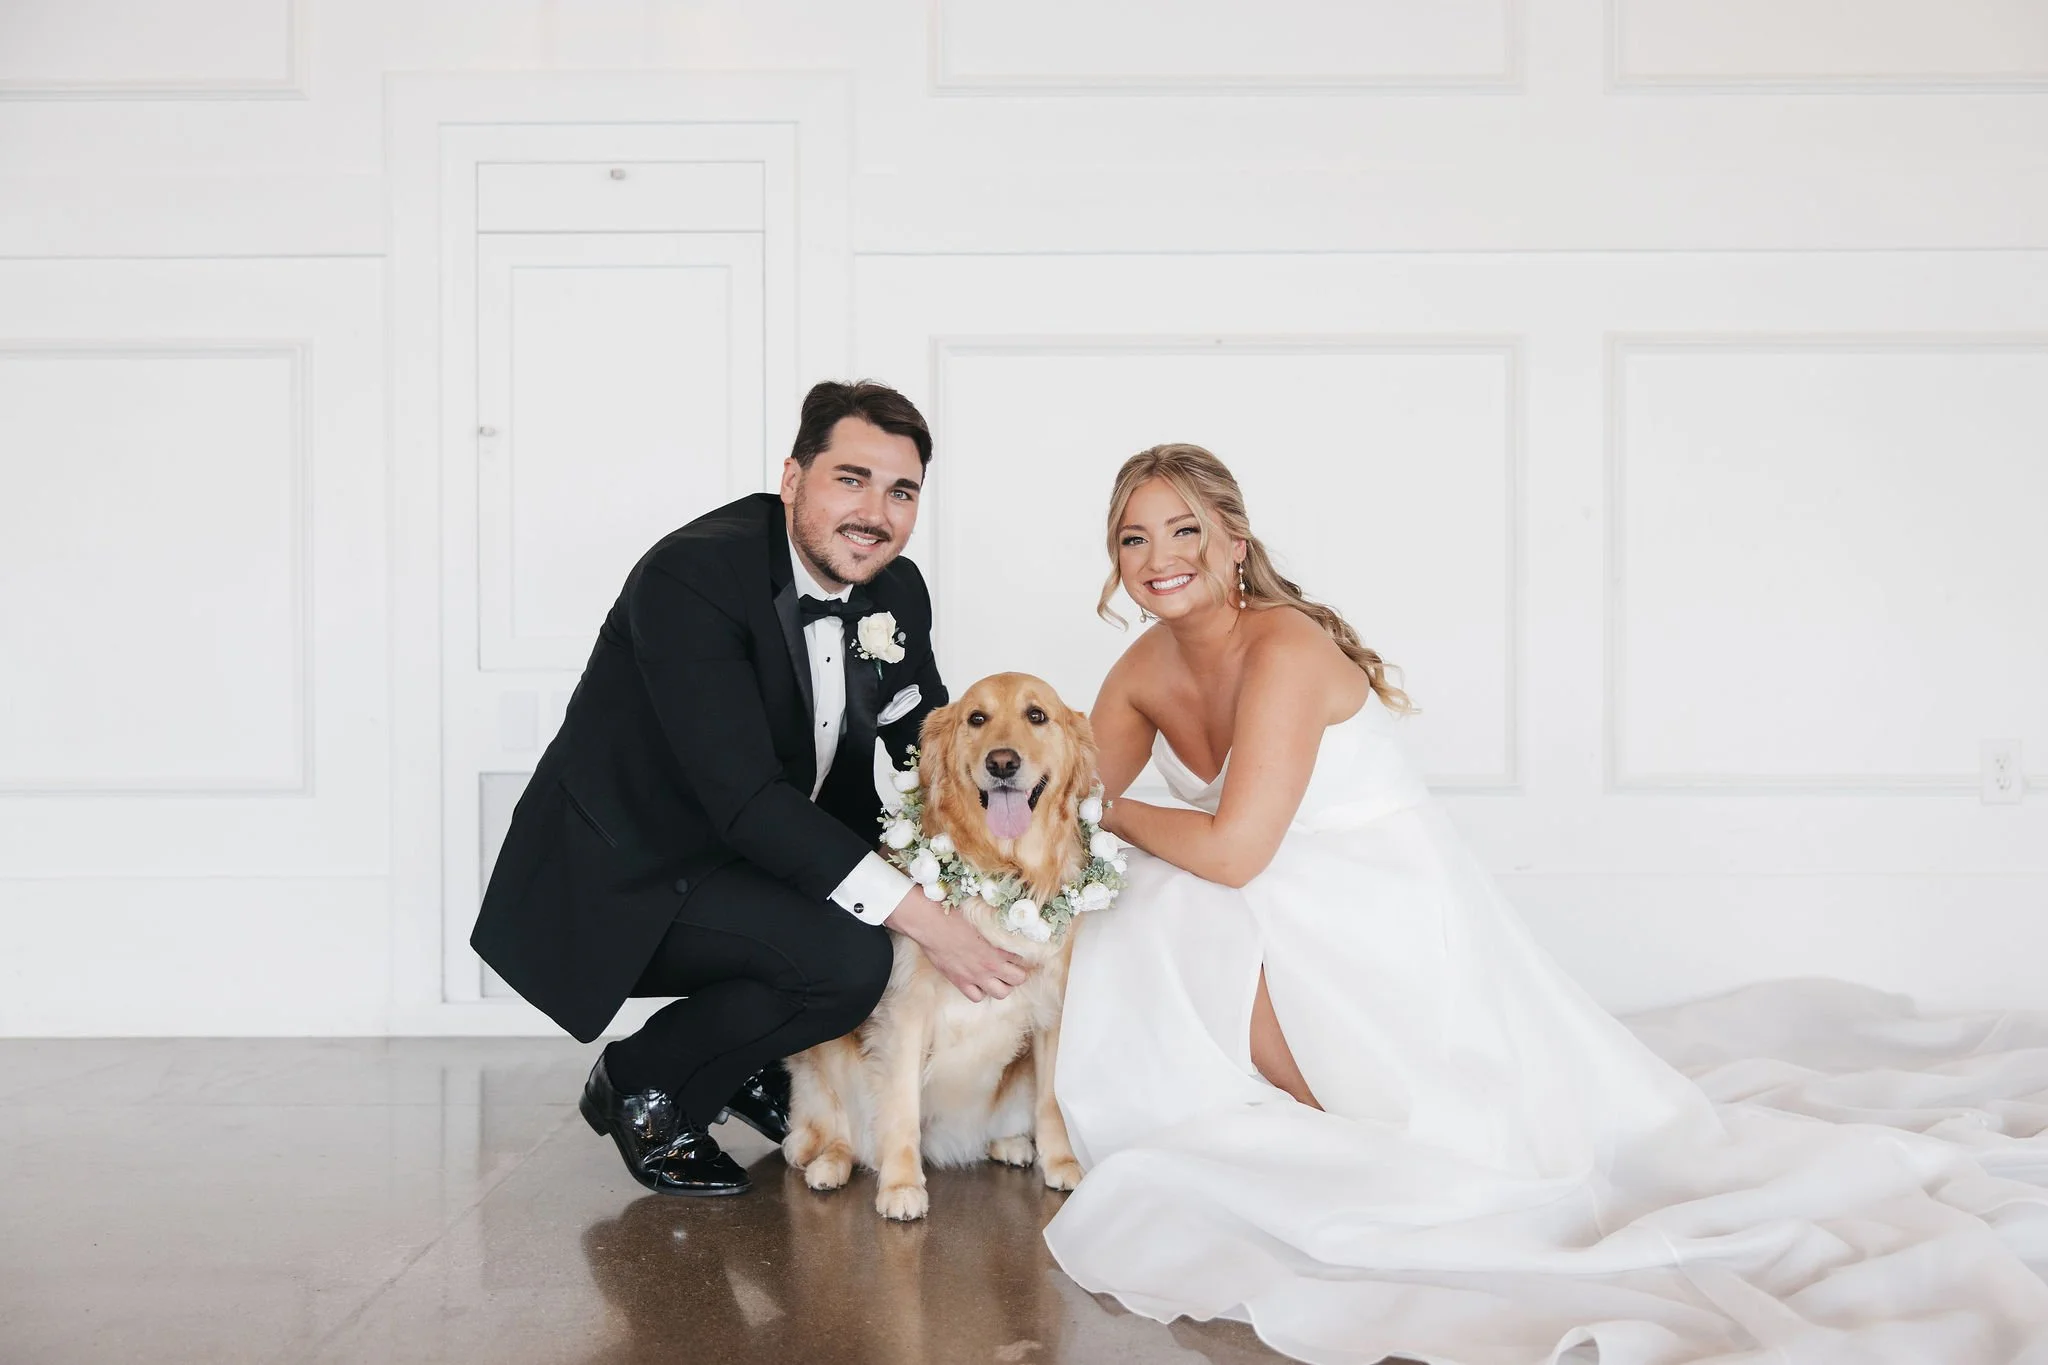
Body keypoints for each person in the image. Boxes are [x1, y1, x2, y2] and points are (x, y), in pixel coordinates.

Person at [1043, 443, 2048, 1364]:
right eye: (1133, 537)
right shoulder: (1141, 669)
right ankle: (1238, 1114)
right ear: (1114, 562)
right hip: (1276, 896)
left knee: (1172, 880)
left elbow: (1225, 847)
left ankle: (1344, 1115)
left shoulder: (1283, 649)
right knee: (1134, 897)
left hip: (1381, 908)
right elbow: (1061, 807)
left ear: (1233, 546)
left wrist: (1103, 809)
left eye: (1184, 530)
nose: (1158, 555)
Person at [472, 381, 1026, 1198]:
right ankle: (642, 1083)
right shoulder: (691, 577)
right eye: (851, 478)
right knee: (848, 959)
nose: (877, 511)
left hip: (750, 857)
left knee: (860, 924)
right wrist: (927, 917)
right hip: (628, 873)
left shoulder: (896, 590)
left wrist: (1017, 844)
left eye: (901, 491)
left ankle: (739, 1061)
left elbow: (929, 749)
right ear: (793, 478)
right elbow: (745, 799)